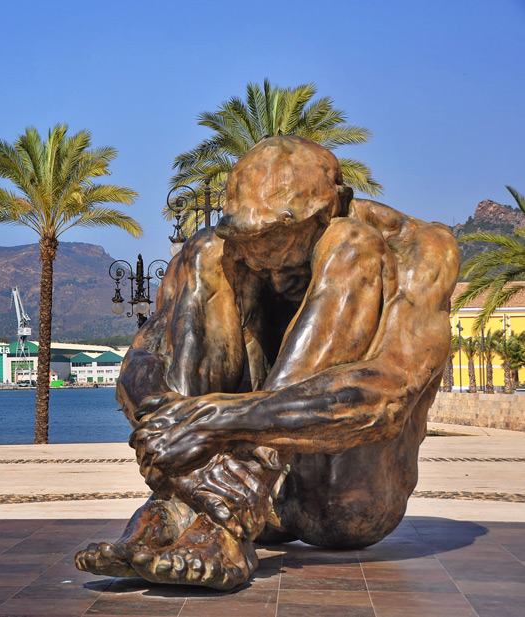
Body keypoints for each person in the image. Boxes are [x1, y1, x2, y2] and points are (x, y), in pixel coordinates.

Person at [75, 136, 459, 590]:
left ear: (332, 206)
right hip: (215, 484)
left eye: (288, 263)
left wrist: (213, 421)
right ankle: (177, 508)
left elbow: (388, 394)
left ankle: (225, 516)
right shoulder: (220, 249)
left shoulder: (418, 250)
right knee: (205, 250)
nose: (274, 278)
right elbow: (143, 358)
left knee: (352, 246)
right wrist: (162, 417)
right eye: (258, 257)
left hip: (340, 500)